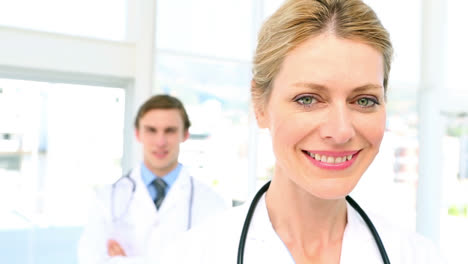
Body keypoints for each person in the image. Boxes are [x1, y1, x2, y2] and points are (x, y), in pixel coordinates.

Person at [155, 0, 445, 263]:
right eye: (307, 99)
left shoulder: (417, 256)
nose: (341, 131)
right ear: (260, 105)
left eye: (364, 100)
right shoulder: (193, 255)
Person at [78, 94, 229, 264]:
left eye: (169, 131)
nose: (160, 141)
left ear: (185, 135)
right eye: (151, 130)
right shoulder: (106, 199)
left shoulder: (212, 203)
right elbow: (90, 259)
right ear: (138, 134)